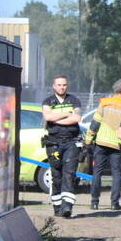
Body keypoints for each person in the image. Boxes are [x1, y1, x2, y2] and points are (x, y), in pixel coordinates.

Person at [84, 79, 121, 212]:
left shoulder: (104, 103)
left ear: (114, 90)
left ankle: (94, 202)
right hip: (118, 144)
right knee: (116, 174)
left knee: (97, 172)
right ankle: (114, 203)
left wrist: (88, 140)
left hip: (102, 142)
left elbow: (95, 123)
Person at [41, 75, 83, 218]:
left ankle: (67, 207)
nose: (62, 87)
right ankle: (57, 206)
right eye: (59, 85)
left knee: (69, 174)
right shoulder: (48, 101)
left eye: (64, 84)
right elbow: (48, 117)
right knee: (56, 175)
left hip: (71, 142)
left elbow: (76, 118)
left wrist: (56, 118)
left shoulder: (74, 100)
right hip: (53, 143)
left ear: (67, 85)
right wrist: (66, 114)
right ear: (54, 86)